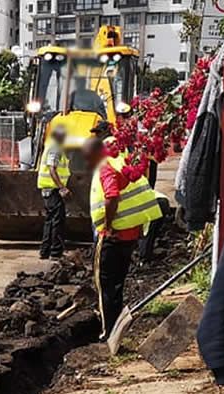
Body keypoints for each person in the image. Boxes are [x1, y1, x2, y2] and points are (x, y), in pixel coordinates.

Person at [84, 136, 164, 339]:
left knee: (105, 285)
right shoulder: (124, 163)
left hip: (113, 235)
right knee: (117, 283)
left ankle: (108, 332)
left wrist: (108, 226)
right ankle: (117, 326)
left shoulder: (106, 167)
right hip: (130, 234)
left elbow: (111, 196)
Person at [37, 125, 71, 259]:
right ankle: (55, 252)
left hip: (48, 190)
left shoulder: (51, 147)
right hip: (53, 190)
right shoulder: (56, 148)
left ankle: (45, 251)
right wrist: (62, 187)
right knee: (57, 221)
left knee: (49, 221)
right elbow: (52, 169)